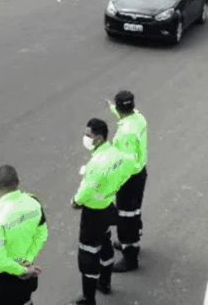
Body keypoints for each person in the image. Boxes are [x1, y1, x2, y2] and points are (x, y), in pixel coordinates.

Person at [72, 118, 133, 305]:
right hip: (108, 208)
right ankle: (104, 282)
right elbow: (128, 168)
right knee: (105, 243)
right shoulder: (116, 153)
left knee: (88, 254)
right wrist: (112, 187)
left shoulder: (96, 163)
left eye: (88, 135)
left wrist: (75, 201)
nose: (85, 137)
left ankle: (88, 298)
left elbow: (85, 192)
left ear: (98, 138)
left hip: (93, 214)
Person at [0, 165, 48, 305]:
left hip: (2, 279)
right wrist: (28, 259)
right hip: (25, 270)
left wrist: (21, 271)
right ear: (18, 180)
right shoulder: (34, 203)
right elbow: (42, 233)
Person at [107, 91, 148, 272]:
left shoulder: (126, 133)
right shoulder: (138, 117)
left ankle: (129, 256)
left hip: (129, 178)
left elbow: (127, 162)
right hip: (139, 174)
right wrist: (112, 107)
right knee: (134, 213)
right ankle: (132, 244)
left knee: (125, 217)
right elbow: (125, 114)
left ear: (119, 107)